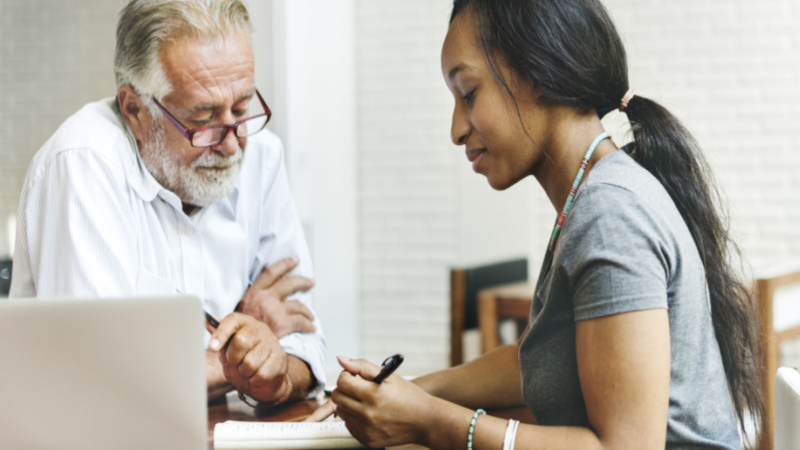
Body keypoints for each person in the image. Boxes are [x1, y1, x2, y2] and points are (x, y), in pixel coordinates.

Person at [310, 0, 765, 448]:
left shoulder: (610, 212)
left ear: (538, 74)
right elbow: (540, 362)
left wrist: (430, 422)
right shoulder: (592, 195)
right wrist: (411, 391)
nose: (456, 129)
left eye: (468, 94)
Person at [10, 0, 326, 406]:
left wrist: (275, 370)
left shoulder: (261, 155)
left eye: (242, 108)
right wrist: (242, 355)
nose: (231, 144)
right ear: (134, 110)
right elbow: (96, 381)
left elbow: (308, 348)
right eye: (203, 119)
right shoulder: (84, 160)